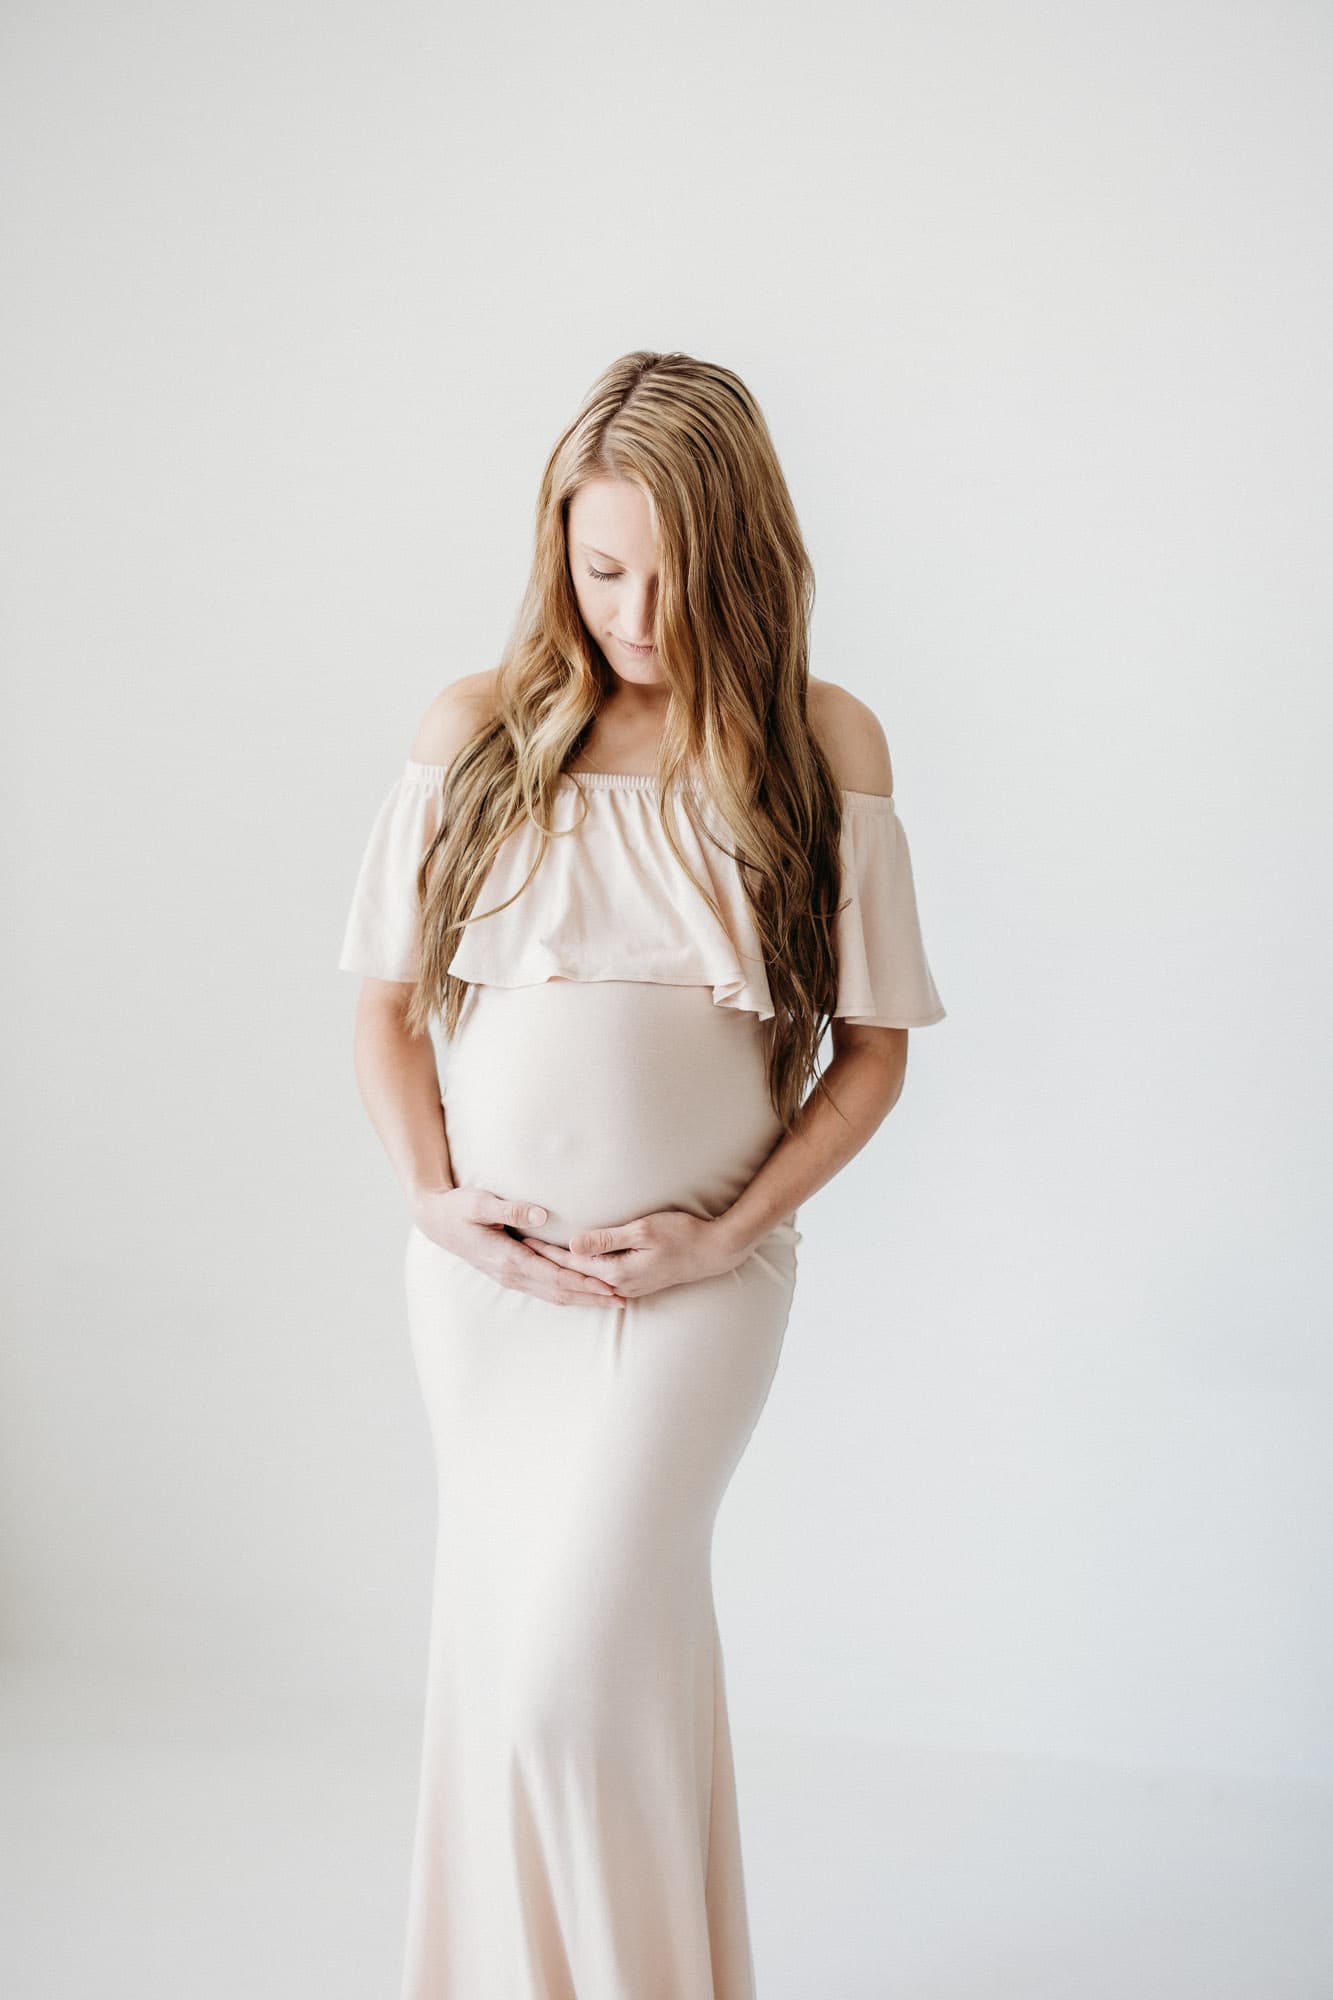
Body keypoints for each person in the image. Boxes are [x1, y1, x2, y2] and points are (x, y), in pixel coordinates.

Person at [338, 350, 946, 1999]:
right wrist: (428, 1198)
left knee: (574, 1673)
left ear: (745, 556)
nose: (634, 611)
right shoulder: (476, 727)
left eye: (672, 575)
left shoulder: (825, 742)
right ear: (559, 551)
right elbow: (386, 1011)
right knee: (520, 1669)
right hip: (485, 1295)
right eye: (602, 570)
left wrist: (726, 1234)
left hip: (701, 1291)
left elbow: (872, 1053)